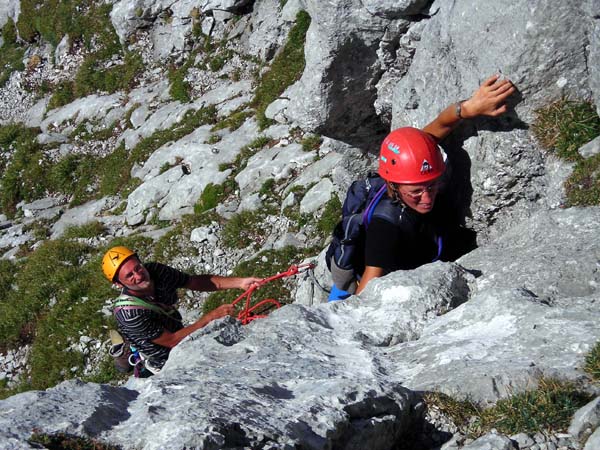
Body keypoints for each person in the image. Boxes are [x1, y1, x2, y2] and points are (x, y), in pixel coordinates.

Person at [334, 74, 516, 297]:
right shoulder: (385, 226)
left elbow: (437, 128)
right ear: (394, 185)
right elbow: (366, 291)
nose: (427, 198)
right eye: (416, 192)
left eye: (432, 186)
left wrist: (467, 108)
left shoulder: (409, 168)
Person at [102, 246, 261, 374]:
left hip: (173, 329)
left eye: (138, 267)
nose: (139, 275)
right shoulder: (129, 314)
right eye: (130, 275)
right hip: (166, 359)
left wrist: (240, 282)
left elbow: (193, 282)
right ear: (119, 284)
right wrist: (210, 317)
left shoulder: (156, 271)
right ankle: (125, 356)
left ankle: (128, 346)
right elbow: (172, 341)